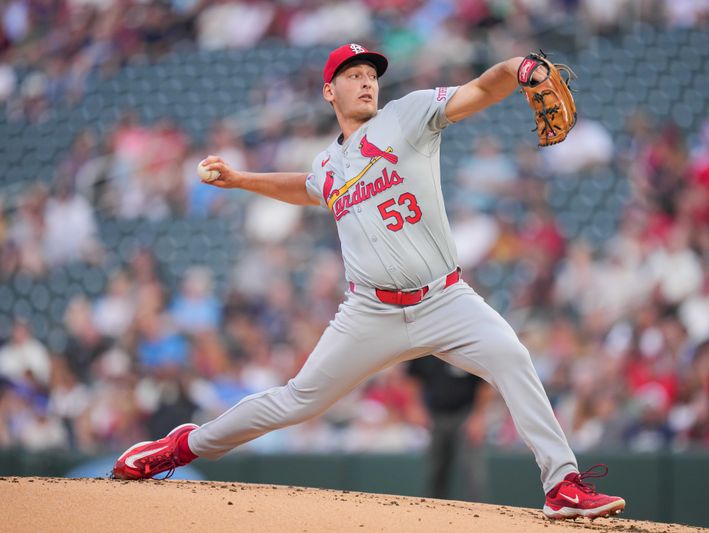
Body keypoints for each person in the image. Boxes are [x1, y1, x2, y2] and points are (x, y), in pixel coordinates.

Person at [112, 43, 625, 520]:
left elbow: (480, 89)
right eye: (351, 75)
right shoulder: (328, 162)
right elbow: (308, 187)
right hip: (370, 312)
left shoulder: (409, 116)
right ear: (328, 91)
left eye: (369, 75)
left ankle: (563, 485)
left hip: (444, 298)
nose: (365, 82)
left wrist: (518, 69)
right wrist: (243, 179)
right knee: (298, 400)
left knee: (512, 357)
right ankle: (179, 447)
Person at [407, 355, 492, 502]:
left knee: (471, 470)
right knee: (435, 469)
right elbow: (414, 377)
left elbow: (485, 381)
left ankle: (479, 513)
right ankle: (431, 512)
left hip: (465, 414)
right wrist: (416, 406)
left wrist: (478, 416)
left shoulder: (466, 343)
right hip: (435, 414)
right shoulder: (427, 344)